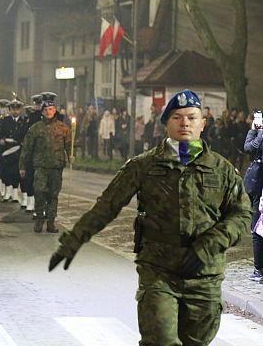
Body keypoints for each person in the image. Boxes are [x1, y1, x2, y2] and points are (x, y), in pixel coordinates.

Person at [49, 89, 252, 346]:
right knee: (160, 342)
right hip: (158, 272)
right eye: (177, 117)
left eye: (191, 117)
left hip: (205, 275)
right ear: (166, 123)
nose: (185, 123)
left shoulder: (222, 169)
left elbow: (242, 213)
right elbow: (107, 206)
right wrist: (73, 240)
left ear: (203, 123)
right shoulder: (143, 165)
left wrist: (212, 243)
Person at [19, 98, 74, 233]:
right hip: (41, 167)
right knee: (39, 192)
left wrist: (71, 156)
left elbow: (69, 146)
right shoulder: (36, 128)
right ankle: (39, 219)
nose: (48, 112)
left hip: (56, 167)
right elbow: (26, 148)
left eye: (51, 109)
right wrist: (22, 166)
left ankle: (51, 222)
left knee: (53, 195)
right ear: (42, 112)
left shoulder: (63, 128)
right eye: (46, 110)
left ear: (54, 110)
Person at [243, 119, 263, 282]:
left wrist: (260, 133)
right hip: (257, 188)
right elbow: (247, 147)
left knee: (258, 230)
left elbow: (253, 147)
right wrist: (253, 130)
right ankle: (258, 269)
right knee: (256, 229)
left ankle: (259, 269)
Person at [0, 99, 26, 203]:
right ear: (9, 110)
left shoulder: (24, 122)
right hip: (7, 148)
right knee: (6, 171)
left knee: (16, 172)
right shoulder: (5, 121)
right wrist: (1, 139)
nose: (15, 111)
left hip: (18, 149)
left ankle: (14, 194)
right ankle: (7, 192)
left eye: (17, 109)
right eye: (13, 109)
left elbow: (24, 135)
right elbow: (0, 133)